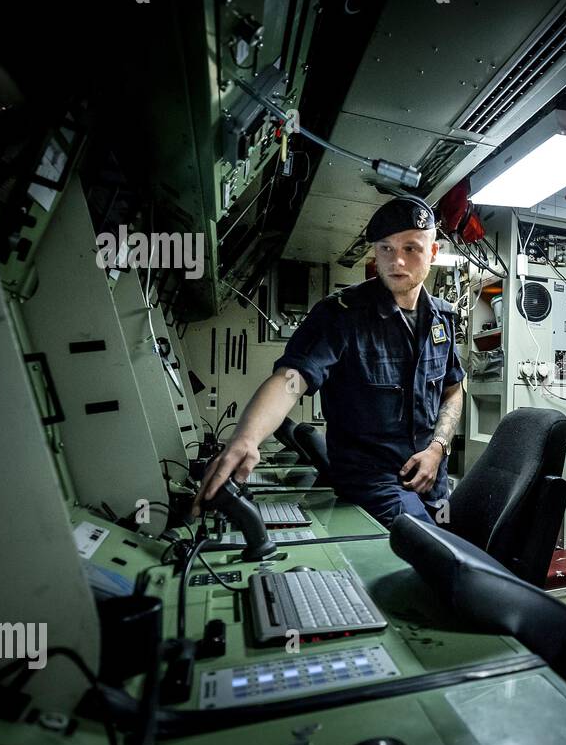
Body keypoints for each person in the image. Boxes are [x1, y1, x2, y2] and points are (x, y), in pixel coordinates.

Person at [195, 195, 465, 525]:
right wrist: (246, 439)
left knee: (454, 549)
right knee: (433, 556)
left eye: (411, 248)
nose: (397, 261)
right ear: (375, 254)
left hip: (432, 480)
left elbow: (453, 389)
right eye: (386, 248)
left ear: (433, 253)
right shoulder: (341, 315)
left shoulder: (443, 318)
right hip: (373, 485)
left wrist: (437, 447)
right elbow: (292, 381)